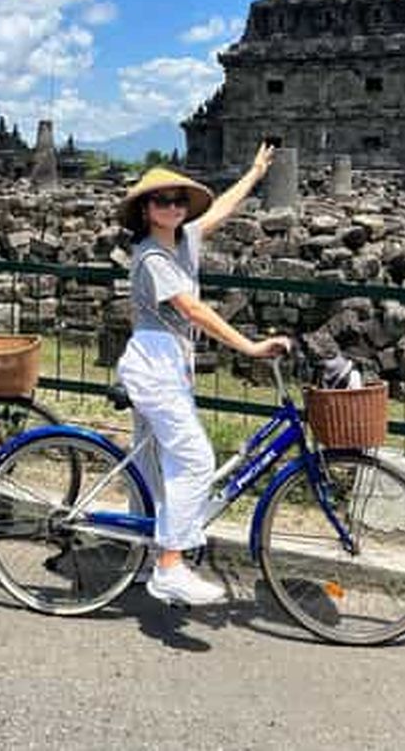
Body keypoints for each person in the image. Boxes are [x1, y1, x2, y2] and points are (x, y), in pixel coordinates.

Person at [117, 144, 291, 607]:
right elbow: (192, 310)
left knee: (153, 463)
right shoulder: (152, 257)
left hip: (171, 363)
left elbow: (226, 209)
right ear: (145, 211)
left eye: (178, 200)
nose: (172, 207)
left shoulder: (185, 239)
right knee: (195, 460)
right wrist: (250, 347)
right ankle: (170, 565)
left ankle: (143, 557)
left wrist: (254, 173)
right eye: (161, 201)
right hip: (154, 364)